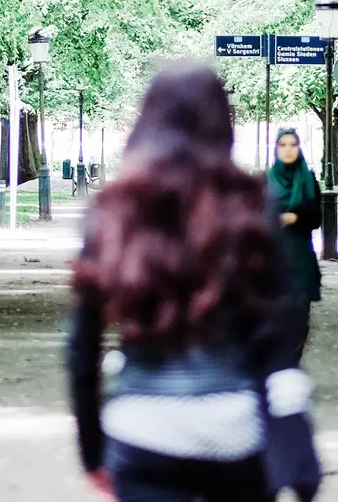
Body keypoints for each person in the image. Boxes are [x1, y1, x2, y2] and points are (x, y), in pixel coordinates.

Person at [67, 63, 315, 501]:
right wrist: (294, 439)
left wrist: (93, 452)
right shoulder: (250, 207)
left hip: (143, 428)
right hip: (233, 427)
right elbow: (277, 336)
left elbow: (81, 349)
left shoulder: (114, 210)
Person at [267, 128, 321, 357]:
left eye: (293, 145)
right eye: (283, 145)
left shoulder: (308, 180)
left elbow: (317, 219)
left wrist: (297, 217)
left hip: (300, 257)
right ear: (276, 150)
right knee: (275, 317)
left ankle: (291, 362)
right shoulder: (265, 183)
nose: (288, 150)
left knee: (300, 318)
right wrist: (275, 219)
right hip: (272, 260)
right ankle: (278, 367)